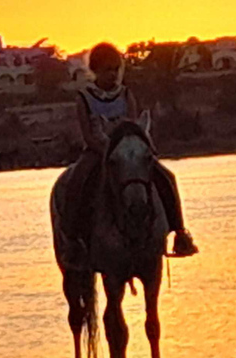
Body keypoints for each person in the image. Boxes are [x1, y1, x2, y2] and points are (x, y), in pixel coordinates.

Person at [63, 42, 198, 265]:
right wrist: (107, 151)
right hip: (98, 152)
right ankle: (73, 241)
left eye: (116, 69)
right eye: (108, 69)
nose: (113, 75)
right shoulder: (84, 97)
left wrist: (134, 151)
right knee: (77, 181)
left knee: (166, 177)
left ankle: (179, 233)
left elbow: (133, 129)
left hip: (127, 154)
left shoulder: (125, 94)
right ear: (95, 70)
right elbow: (88, 135)